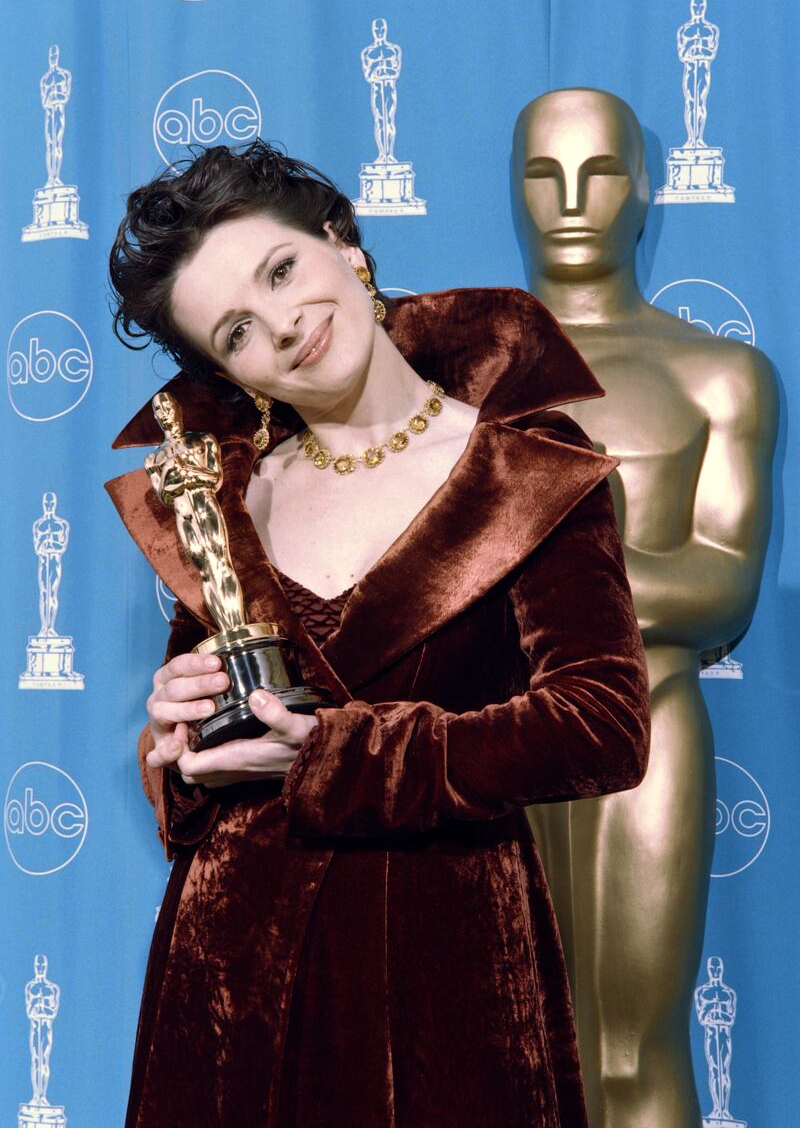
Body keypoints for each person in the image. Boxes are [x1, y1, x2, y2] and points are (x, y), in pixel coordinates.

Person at [106, 139, 650, 1128]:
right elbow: (212, 746)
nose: (282, 324)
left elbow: (601, 723)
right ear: (228, 368)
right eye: (235, 330)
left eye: (281, 271)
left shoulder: (526, 462)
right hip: (228, 980)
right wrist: (178, 749)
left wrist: (344, 752)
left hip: (445, 962)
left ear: (340, 243)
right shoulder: (223, 494)